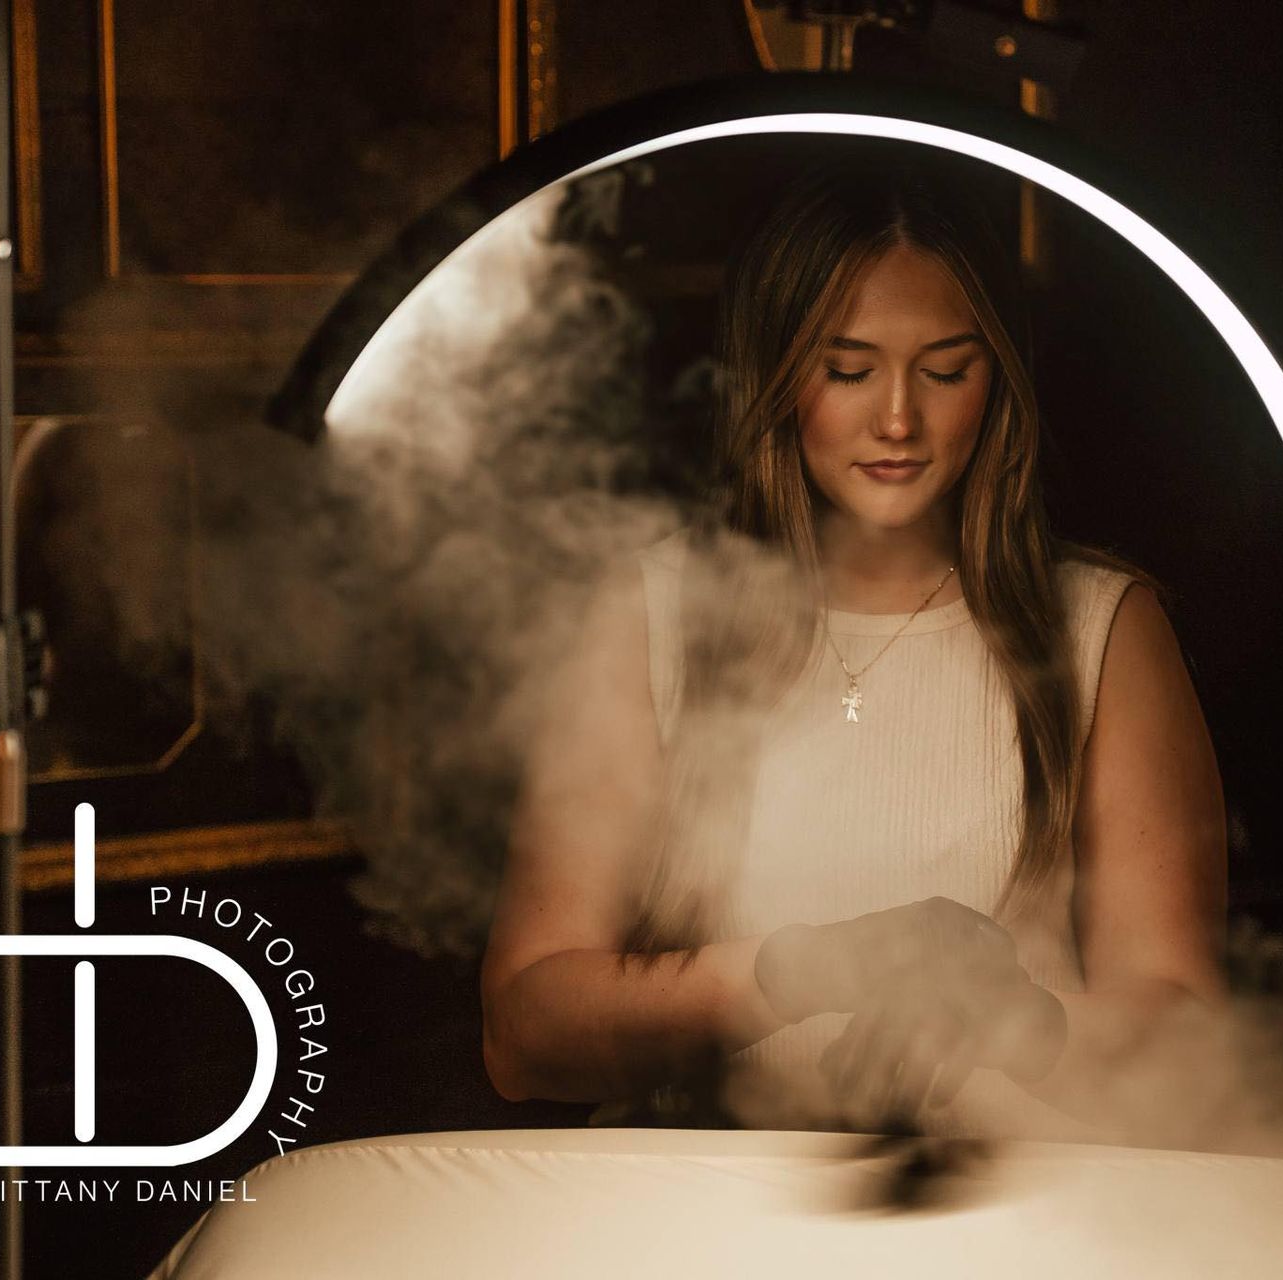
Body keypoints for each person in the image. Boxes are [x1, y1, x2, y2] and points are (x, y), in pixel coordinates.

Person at [480, 154, 1228, 1143]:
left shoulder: (1100, 628)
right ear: (779, 374)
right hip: (692, 1213)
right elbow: (524, 1037)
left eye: (947, 369)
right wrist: (799, 969)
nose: (898, 419)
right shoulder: (651, 615)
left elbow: (1185, 1058)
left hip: (1009, 1215)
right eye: (847, 369)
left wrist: (1020, 1022)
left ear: (998, 377)